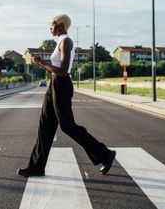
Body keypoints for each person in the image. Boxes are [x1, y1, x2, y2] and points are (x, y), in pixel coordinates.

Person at [17, 14, 116, 177]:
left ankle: (105, 154)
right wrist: (43, 64)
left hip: (61, 85)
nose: (50, 27)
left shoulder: (66, 41)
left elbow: (63, 71)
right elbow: (56, 69)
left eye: (52, 24)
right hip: (53, 84)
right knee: (45, 126)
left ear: (61, 26)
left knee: (67, 126)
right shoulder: (60, 41)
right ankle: (36, 167)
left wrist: (42, 63)